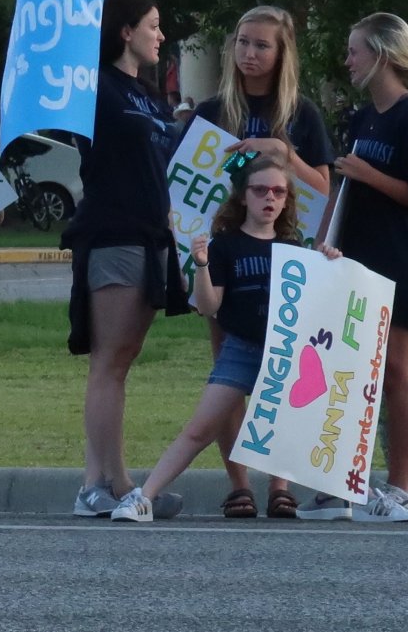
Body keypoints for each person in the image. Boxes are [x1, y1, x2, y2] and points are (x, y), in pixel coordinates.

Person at [192, 6, 333, 519]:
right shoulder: (214, 110)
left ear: (281, 53)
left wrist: (281, 150)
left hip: (285, 260)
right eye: (243, 43)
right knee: (226, 372)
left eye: (262, 45)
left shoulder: (301, 113)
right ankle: (239, 484)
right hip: (227, 254)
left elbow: (322, 191)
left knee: (286, 373)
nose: (250, 54)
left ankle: (281, 483)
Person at [113, 154, 310, 522]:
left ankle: (280, 492)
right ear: (242, 196)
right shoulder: (227, 245)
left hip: (283, 352)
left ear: (286, 199)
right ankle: (144, 497)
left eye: (278, 191)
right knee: (199, 430)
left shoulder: (296, 249)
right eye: (260, 190)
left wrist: (332, 261)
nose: (269, 198)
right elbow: (208, 306)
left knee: (284, 425)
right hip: (240, 350)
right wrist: (201, 263)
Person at [307, 13, 408, 523]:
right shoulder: (364, 118)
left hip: (401, 261)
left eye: (355, 52)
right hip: (356, 259)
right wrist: (324, 237)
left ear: (383, 56)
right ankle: (340, 481)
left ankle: (402, 489)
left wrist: (370, 174)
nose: (348, 62)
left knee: (395, 372)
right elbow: (344, 185)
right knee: (352, 369)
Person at [64, 0, 193, 519]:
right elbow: (56, 63)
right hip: (112, 235)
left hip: (150, 238)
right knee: (109, 361)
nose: (161, 35)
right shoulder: (93, 87)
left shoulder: (150, 96)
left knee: (121, 360)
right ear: (125, 31)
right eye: (153, 25)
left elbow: (171, 163)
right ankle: (109, 484)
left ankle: (106, 483)